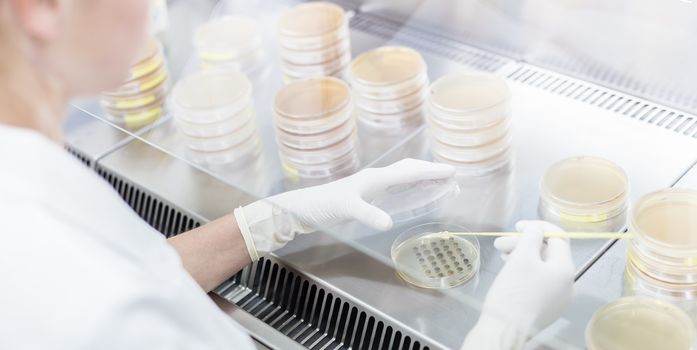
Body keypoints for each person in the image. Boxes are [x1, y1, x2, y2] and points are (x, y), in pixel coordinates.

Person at [0, 1, 574, 349]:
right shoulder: (98, 320)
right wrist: (501, 331)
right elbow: (118, 304)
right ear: (43, 6)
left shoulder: (25, 180)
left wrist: (273, 219)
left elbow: (137, 274)